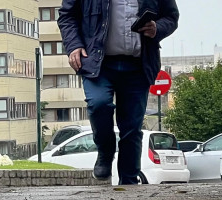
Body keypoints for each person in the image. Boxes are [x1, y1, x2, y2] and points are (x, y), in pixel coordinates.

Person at [57, 0, 179, 184]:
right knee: (99, 104)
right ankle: (105, 152)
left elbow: (171, 16)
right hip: (98, 63)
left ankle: (129, 183)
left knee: (131, 129)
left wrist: (157, 28)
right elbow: (67, 15)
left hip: (138, 65)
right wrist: (74, 45)